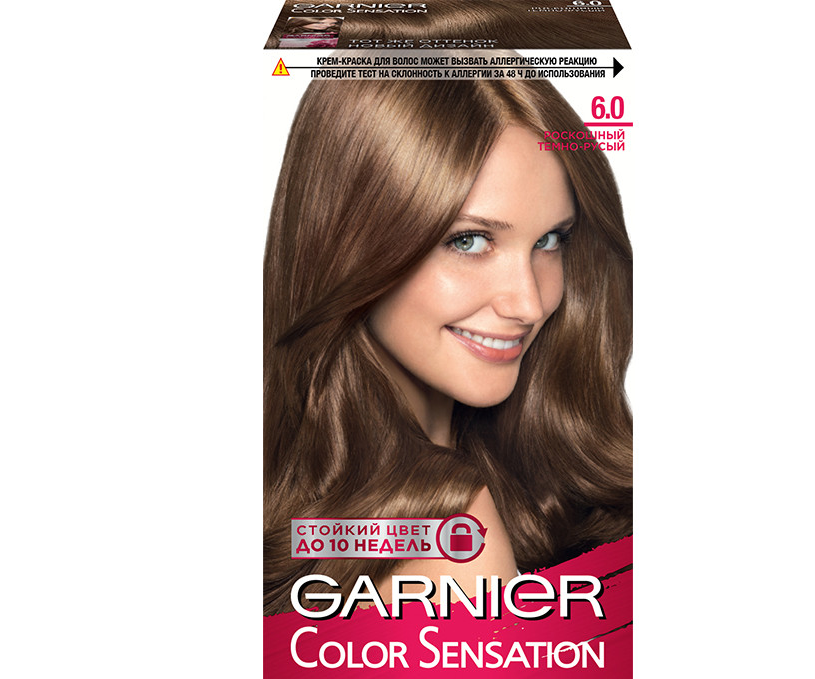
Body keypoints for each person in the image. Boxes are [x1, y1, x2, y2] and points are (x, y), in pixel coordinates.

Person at [263, 73, 632, 615]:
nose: (529, 303)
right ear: (344, 244)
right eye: (469, 240)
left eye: (550, 240)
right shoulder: (452, 536)